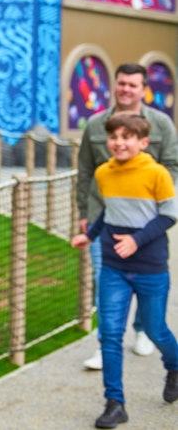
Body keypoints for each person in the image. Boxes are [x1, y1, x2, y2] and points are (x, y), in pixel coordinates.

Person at [70, 113, 178, 428]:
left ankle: (174, 366)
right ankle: (114, 403)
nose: (119, 142)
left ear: (143, 142)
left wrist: (136, 240)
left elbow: (169, 215)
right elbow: (108, 211)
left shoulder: (157, 173)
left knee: (156, 329)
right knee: (111, 335)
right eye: (114, 137)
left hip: (150, 266)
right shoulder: (103, 173)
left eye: (126, 137)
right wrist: (89, 234)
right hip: (114, 266)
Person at [77, 63, 178, 370]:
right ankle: (106, 343)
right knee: (103, 279)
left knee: (145, 278)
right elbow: (83, 171)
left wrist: (156, 197)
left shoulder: (161, 124)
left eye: (132, 85)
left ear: (142, 88)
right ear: (115, 85)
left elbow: (172, 165)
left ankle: (141, 330)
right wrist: (84, 213)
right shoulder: (96, 125)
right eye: (121, 83)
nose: (125, 89)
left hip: (145, 221)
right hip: (102, 216)